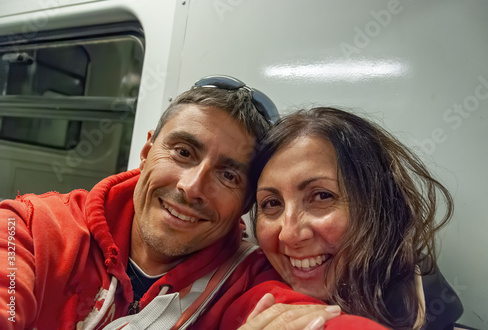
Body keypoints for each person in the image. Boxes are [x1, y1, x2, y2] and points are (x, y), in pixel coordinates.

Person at [0, 77, 385, 330]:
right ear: (148, 150)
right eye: (183, 152)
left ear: (245, 202)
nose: (192, 186)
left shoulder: (247, 279)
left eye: (229, 175)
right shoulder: (30, 226)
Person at [240, 107, 455, 329]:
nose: (289, 234)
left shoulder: (423, 297)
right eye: (272, 203)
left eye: (322, 196)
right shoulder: (244, 287)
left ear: (377, 205)